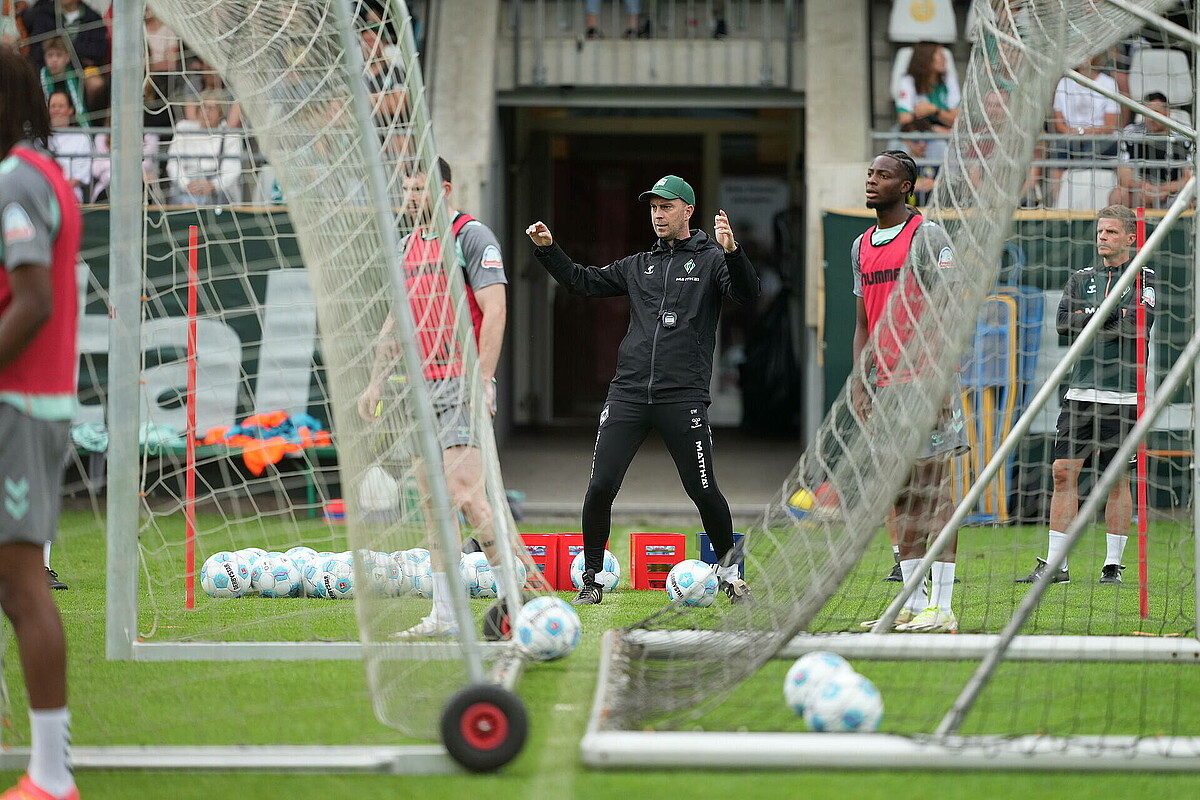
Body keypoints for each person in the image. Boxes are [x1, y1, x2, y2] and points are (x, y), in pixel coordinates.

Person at [526, 175, 759, 605]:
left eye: (666, 207)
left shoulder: (711, 260)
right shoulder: (638, 265)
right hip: (628, 393)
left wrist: (733, 251)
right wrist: (548, 250)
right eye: (653, 207)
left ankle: (730, 575)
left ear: (687, 211)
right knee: (600, 487)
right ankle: (591, 578)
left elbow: (747, 292)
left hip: (682, 395)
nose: (657, 214)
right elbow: (582, 280)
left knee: (703, 490)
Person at [359, 158, 517, 640]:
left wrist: (483, 380)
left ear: (443, 189)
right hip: (417, 389)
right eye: (404, 190)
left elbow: (495, 311)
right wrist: (375, 381)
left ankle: (517, 602)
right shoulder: (407, 247)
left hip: (459, 385)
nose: (408, 198)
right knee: (433, 505)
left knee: (468, 497)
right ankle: (446, 616)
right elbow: (396, 321)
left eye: (416, 189)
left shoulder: (471, 237)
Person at [0, 46, 82, 800]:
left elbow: (32, 302)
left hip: (17, 405)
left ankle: (52, 776)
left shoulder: (14, 180)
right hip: (30, 401)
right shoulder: (45, 173)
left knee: (24, 587)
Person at [852, 150, 966, 633]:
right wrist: (861, 379)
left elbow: (948, 312)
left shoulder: (928, 236)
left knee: (934, 491)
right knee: (899, 497)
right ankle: (912, 603)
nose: (872, 180)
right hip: (885, 386)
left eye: (883, 175)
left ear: (906, 187)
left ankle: (942, 605)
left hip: (925, 379)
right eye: (871, 173)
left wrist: (940, 381)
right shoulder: (859, 245)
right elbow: (862, 321)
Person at [1016, 205, 1155, 586]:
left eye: (1111, 232)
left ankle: (1112, 566)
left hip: (1125, 395)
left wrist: (1091, 318)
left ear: (1130, 238)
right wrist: (1106, 317)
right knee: (1063, 474)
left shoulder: (1144, 277)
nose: (1102, 238)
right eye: (1100, 232)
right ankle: (1056, 564)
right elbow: (1063, 324)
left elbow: (1136, 326)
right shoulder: (1081, 278)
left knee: (1116, 480)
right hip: (1080, 392)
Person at [23, 0, 108, 115]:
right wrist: (64, 55)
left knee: (96, 83)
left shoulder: (92, 16)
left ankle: (91, 125)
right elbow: (36, 50)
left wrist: (66, 50)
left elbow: (99, 51)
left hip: (81, 69)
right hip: (47, 67)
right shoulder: (43, 13)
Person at [894, 42, 961, 189]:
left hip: (942, 135)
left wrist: (934, 110)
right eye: (940, 56)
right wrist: (930, 131)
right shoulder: (909, 82)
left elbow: (957, 119)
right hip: (916, 134)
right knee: (898, 147)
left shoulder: (948, 81)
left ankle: (946, 188)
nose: (945, 60)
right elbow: (905, 120)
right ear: (926, 59)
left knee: (944, 147)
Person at [1111, 92, 1193, 210]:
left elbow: (1190, 179)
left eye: (1156, 113)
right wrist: (1144, 187)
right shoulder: (1131, 134)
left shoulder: (1184, 135)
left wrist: (1164, 189)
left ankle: (1188, 228)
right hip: (1141, 192)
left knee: (1191, 197)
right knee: (1117, 195)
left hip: (1173, 193)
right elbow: (1124, 176)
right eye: (1147, 113)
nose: (1151, 118)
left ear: (1167, 113)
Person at [165, 90, 243, 206]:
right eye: (202, 107)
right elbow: (173, 163)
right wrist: (185, 184)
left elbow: (233, 170)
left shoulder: (230, 135)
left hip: (216, 189)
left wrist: (213, 185)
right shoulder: (184, 128)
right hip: (186, 185)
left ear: (220, 111)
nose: (206, 112)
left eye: (211, 108)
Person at [38, 37, 88, 127]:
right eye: (50, 55)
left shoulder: (75, 78)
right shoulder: (39, 79)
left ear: (67, 57)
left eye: (59, 55)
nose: (54, 60)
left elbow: (80, 110)